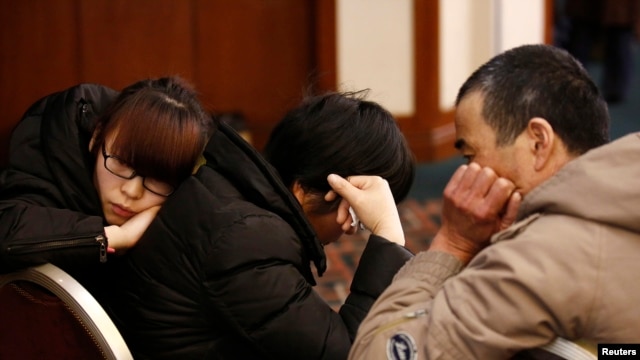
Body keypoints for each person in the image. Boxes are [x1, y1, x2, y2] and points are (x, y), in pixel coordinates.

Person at [344, 44, 636, 360]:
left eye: (471, 155)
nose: (466, 173)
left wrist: (452, 244)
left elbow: (373, 354)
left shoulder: (540, 260)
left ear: (538, 142)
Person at [101, 91, 416, 359]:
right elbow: (352, 352)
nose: (350, 228)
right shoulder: (247, 243)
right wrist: (388, 235)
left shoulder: (230, 196)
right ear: (305, 189)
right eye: (358, 215)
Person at [0, 76, 215, 292]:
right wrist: (112, 237)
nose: (131, 191)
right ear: (97, 136)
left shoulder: (189, 197)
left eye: (159, 178)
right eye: (121, 162)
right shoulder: (54, 146)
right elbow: (7, 233)